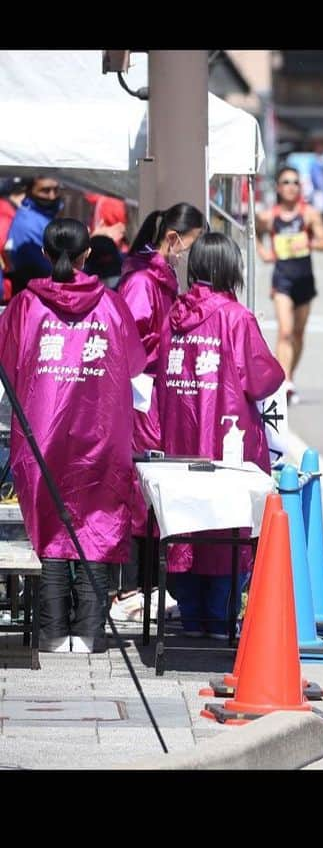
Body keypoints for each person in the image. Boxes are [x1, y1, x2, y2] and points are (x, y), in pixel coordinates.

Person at [0, 218, 146, 652]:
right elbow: (135, 363)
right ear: (86, 255)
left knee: (48, 527)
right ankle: (88, 632)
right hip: (101, 435)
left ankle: (49, 632)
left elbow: (8, 363)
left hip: (40, 433)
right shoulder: (111, 304)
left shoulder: (27, 305)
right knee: (96, 525)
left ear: (45, 254)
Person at [157, 233, 285, 638]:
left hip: (179, 441)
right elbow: (264, 378)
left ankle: (193, 618)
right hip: (227, 444)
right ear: (230, 269)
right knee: (227, 530)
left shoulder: (174, 315)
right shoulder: (236, 318)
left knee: (186, 527)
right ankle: (218, 621)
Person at [111, 203, 206, 621]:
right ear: (173, 239)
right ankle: (130, 588)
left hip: (152, 392)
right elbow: (126, 341)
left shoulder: (157, 278)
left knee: (150, 488)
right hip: (139, 395)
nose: (194, 254)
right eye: (193, 244)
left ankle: (147, 586)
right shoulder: (142, 282)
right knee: (140, 488)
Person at [256, 166, 323, 403]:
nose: (291, 186)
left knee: (297, 334)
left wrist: (307, 243)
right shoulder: (270, 216)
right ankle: (283, 380)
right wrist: (263, 251)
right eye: (286, 182)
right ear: (278, 187)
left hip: (304, 279)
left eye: (295, 182)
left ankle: (290, 375)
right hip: (282, 280)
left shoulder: (309, 214)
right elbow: (254, 232)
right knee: (285, 331)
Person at [7, 176, 63, 294]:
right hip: (38, 295)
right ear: (29, 191)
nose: (52, 196)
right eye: (45, 190)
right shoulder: (27, 223)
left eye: (56, 190)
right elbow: (42, 269)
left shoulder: (44, 216)